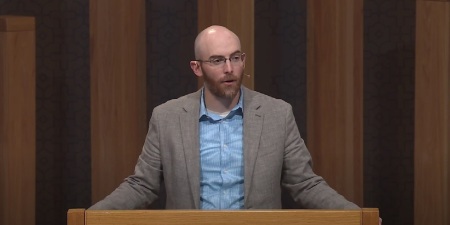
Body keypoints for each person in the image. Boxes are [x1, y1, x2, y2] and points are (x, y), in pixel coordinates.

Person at [89, 25, 359, 210]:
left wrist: (356, 216)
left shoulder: (277, 114)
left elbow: (305, 183)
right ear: (197, 67)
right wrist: (90, 217)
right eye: (217, 60)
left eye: (236, 58)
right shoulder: (167, 117)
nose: (230, 69)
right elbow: (141, 186)